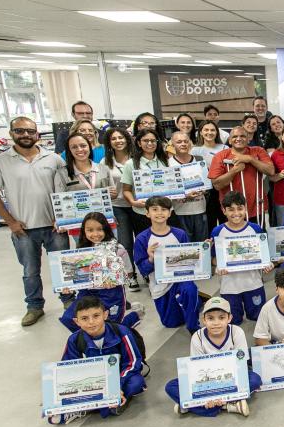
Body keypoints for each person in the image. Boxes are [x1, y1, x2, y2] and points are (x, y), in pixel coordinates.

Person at [0, 116, 72, 326]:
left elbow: (64, 191)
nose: (25, 135)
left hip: (54, 226)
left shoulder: (54, 158)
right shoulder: (0, 161)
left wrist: (62, 217)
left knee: (63, 267)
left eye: (30, 131)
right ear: (11, 133)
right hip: (23, 228)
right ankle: (34, 306)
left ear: (37, 135)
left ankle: (68, 301)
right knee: (30, 271)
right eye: (20, 131)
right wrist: (10, 221)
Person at [51, 296, 145, 424]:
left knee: (136, 383)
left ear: (105, 315)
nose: (91, 322)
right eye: (84, 318)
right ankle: (111, 403)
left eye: (96, 316)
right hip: (95, 381)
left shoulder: (122, 332)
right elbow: (68, 369)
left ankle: (89, 407)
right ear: (76, 321)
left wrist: (117, 386)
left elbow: (133, 363)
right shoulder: (74, 339)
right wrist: (57, 396)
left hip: (121, 375)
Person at [167, 297, 260, 417]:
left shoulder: (237, 332)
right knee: (171, 386)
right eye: (210, 318)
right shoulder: (198, 337)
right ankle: (228, 405)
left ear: (229, 318)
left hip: (231, 377)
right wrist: (211, 392)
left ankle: (192, 406)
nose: (216, 323)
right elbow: (197, 370)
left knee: (255, 379)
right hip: (208, 381)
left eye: (221, 317)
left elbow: (241, 367)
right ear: (203, 320)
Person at [58, 212, 144, 332]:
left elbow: (128, 272)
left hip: (111, 293)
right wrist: (68, 288)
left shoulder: (117, 249)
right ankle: (93, 342)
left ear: (106, 229)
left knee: (111, 326)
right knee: (70, 319)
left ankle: (133, 317)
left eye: (99, 229)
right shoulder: (80, 252)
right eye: (90, 230)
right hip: (87, 293)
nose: (95, 234)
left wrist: (116, 278)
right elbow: (76, 278)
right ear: (84, 231)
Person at [133, 196, 201, 332]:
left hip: (181, 279)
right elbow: (143, 270)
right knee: (171, 323)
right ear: (147, 213)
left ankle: (194, 325)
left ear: (170, 213)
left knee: (189, 289)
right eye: (154, 209)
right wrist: (151, 258)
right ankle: (188, 302)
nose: (159, 213)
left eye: (164, 209)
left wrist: (202, 251)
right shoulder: (142, 238)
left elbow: (192, 261)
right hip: (160, 286)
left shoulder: (180, 234)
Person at [211, 191, 272, 324]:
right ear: (223, 211)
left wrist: (268, 264)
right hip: (229, 286)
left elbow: (264, 255)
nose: (236, 213)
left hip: (253, 283)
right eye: (231, 209)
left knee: (258, 317)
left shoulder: (255, 229)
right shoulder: (218, 232)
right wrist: (219, 266)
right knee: (234, 321)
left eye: (240, 208)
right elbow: (214, 259)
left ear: (245, 208)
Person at [208, 126, 275, 226]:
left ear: (248, 139)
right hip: (231, 210)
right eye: (235, 136)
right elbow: (217, 185)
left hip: (255, 207)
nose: (238, 139)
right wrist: (234, 171)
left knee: (257, 238)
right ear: (230, 141)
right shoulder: (220, 156)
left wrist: (250, 159)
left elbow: (271, 171)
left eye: (242, 136)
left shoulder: (258, 151)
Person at [103, 127, 141, 291]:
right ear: (109, 143)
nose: (118, 141)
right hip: (119, 206)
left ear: (127, 139)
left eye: (121, 137)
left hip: (139, 204)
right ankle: (131, 274)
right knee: (125, 243)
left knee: (141, 239)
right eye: (114, 138)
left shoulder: (137, 158)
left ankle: (146, 271)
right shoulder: (105, 162)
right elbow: (101, 186)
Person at [120, 128, 169, 237]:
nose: (150, 143)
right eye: (146, 141)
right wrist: (133, 202)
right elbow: (126, 190)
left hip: (165, 211)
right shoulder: (130, 164)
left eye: (153, 140)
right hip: (142, 213)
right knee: (145, 244)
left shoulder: (165, 161)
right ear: (139, 143)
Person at [168, 131, 207, 242]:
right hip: (180, 211)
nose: (183, 144)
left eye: (186, 141)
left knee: (201, 243)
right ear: (172, 144)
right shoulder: (168, 164)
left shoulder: (199, 160)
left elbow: (207, 184)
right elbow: (167, 190)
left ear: (190, 143)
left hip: (200, 209)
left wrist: (204, 190)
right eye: (179, 142)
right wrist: (184, 194)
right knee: (185, 245)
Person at [192, 121, 227, 235]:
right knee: (209, 223)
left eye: (212, 130)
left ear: (217, 132)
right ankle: (211, 250)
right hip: (205, 192)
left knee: (225, 220)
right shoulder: (194, 150)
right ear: (201, 132)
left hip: (223, 189)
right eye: (206, 130)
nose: (209, 132)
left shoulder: (224, 148)